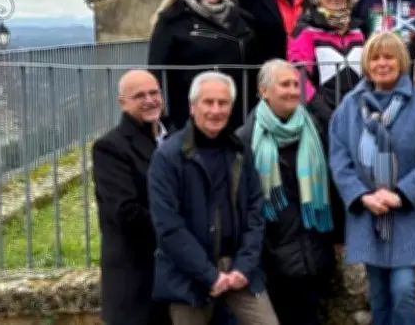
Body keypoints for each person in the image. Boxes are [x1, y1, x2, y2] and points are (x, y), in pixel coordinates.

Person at [329, 31, 415, 325]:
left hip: (409, 212)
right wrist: (363, 196)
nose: (382, 63)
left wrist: (400, 194)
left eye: (389, 56)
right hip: (368, 213)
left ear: (402, 61)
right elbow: (339, 158)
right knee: (379, 294)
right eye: (375, 57)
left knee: (403, 289)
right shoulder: (349, 106)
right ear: (366, 64)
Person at [147, 71, 279, 325]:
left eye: (223, 103)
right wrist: (210, 275)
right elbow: (169, 226)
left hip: (239, 267)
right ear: (192, 106)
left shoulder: (239, 149)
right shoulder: (168, 157)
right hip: (188, 272)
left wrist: (244, 266)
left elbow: (255, 210)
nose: (216, 110)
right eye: (208, 102)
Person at [238, 59, 343, 325]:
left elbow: (332, 184)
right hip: (272, 258)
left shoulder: (315, 129)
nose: (293, 91)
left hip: (314, 253)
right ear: (264, 91)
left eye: (296, 84)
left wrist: (336, 237)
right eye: (285, 84)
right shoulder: (245, 139)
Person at [92, 69, 172, 325]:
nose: (149, 100)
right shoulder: (111, 148)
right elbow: (124, 213)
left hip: (174, 275)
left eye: (153, 92)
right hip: (136, 279)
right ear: (122, 102)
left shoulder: (176, 136)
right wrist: (178, 227)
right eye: (139, 96)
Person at [147, 0, 259, 133]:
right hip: (188, 121)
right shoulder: (172, 20)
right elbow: (156, 72)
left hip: (238, 119)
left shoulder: (243, 20)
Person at [287, 0, 365, 132]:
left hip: (357, 115)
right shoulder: (306, 31)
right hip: (321, 118)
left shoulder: (357, 32)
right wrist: (322, 111)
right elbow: (299, 76)